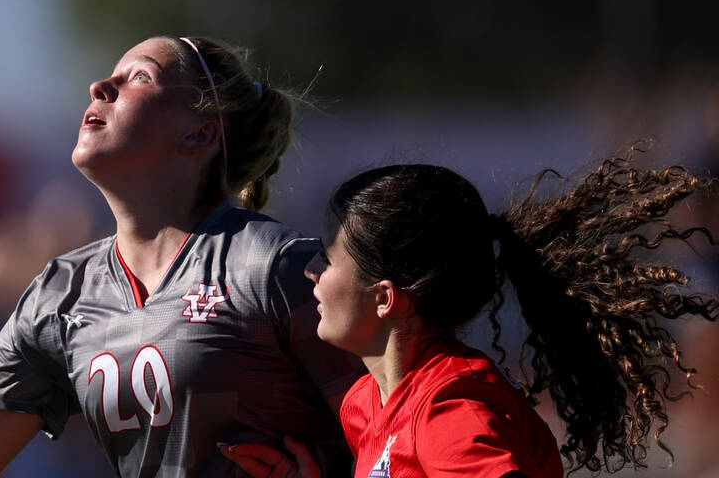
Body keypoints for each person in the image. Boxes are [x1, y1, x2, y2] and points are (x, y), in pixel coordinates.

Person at [0, 36, 365, 477]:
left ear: (199, 133)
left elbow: (400, 437)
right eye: (111, 75)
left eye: (139, 77)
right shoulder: (59, 295)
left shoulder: (274, 268)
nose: (100, 87)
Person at [221, 157, 718, 478]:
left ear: (385, 298)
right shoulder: (367, 402)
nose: (309, 271)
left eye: (327, 259)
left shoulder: (451, 410)